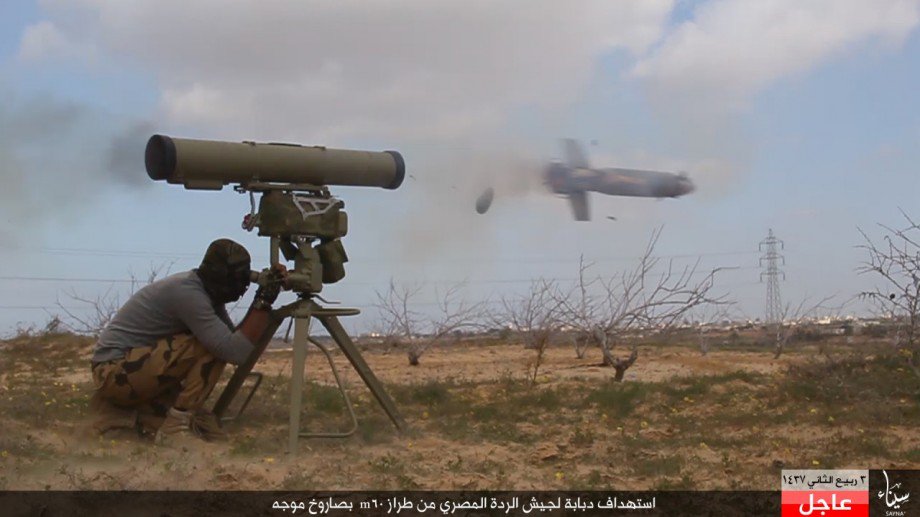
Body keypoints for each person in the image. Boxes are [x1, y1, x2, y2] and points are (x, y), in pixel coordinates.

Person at [89, 238, 285, 443]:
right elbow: (231, 350)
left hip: (128, 368)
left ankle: (125, 415)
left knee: (206, 428)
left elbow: (238, 343)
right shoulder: (188, 294)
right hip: (113, 372)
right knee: (211, 347)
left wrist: (262, 299)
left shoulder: (203, 291)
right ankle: (173, 429)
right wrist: (263, 301)